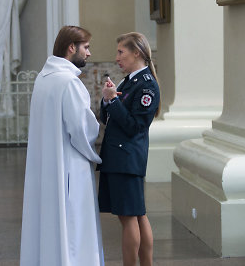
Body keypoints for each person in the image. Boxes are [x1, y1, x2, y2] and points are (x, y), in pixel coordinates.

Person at [20, 26, 104, 266]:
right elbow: (81, 130)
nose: (88, 53)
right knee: (73, 224)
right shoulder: (69, 83)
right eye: (85, 47)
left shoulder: (43, 78)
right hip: (69, 165)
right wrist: (95, 148)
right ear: (71, 47)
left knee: (49, 222)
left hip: (47, 165)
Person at [97, 32, 160, 266]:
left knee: (129, 218)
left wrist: (113, 101)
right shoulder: (129, 81)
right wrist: (107, 100)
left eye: (121, 52)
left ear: (137, 53)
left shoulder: (147, 86)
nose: (117, 58)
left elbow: (135, 126)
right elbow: (109, 119)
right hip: (120, 157)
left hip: (127, 159)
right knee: (137, 214)